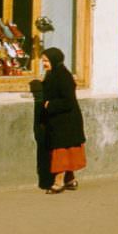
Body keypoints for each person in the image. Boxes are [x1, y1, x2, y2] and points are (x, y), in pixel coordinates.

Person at [41, 47, 86, 194]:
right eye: (43, 60)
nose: (44, 63)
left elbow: (68, 101)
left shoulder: (62, 76)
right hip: (61, 120)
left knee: (61, 152)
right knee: (67, 150)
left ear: (54, 60)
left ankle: (58, 182)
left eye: (46, 61)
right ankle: (70, 180)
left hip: (66, 121)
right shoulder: (54, 74)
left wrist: (50, 105)